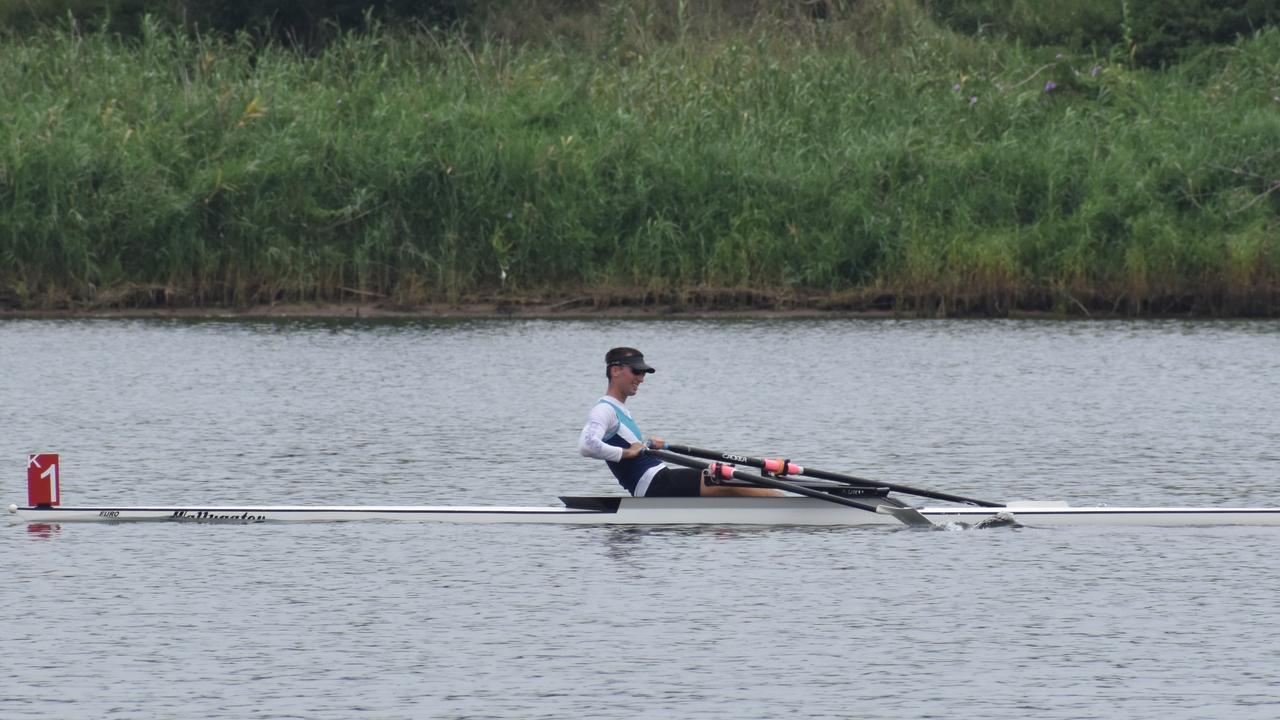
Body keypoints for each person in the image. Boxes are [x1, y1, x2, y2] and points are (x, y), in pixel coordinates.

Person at [577, 347, 779, 497]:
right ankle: (784, 506)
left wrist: (647, 445)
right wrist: (627, 453)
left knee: (729, 478)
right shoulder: (604, 409)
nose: (641, 379)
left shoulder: (620, 410)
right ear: (615, 371)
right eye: (636, 372)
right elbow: (587, 445)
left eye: (643, 373)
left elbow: (632, 447)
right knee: (727, 479)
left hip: (660, 479)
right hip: (654, 484)